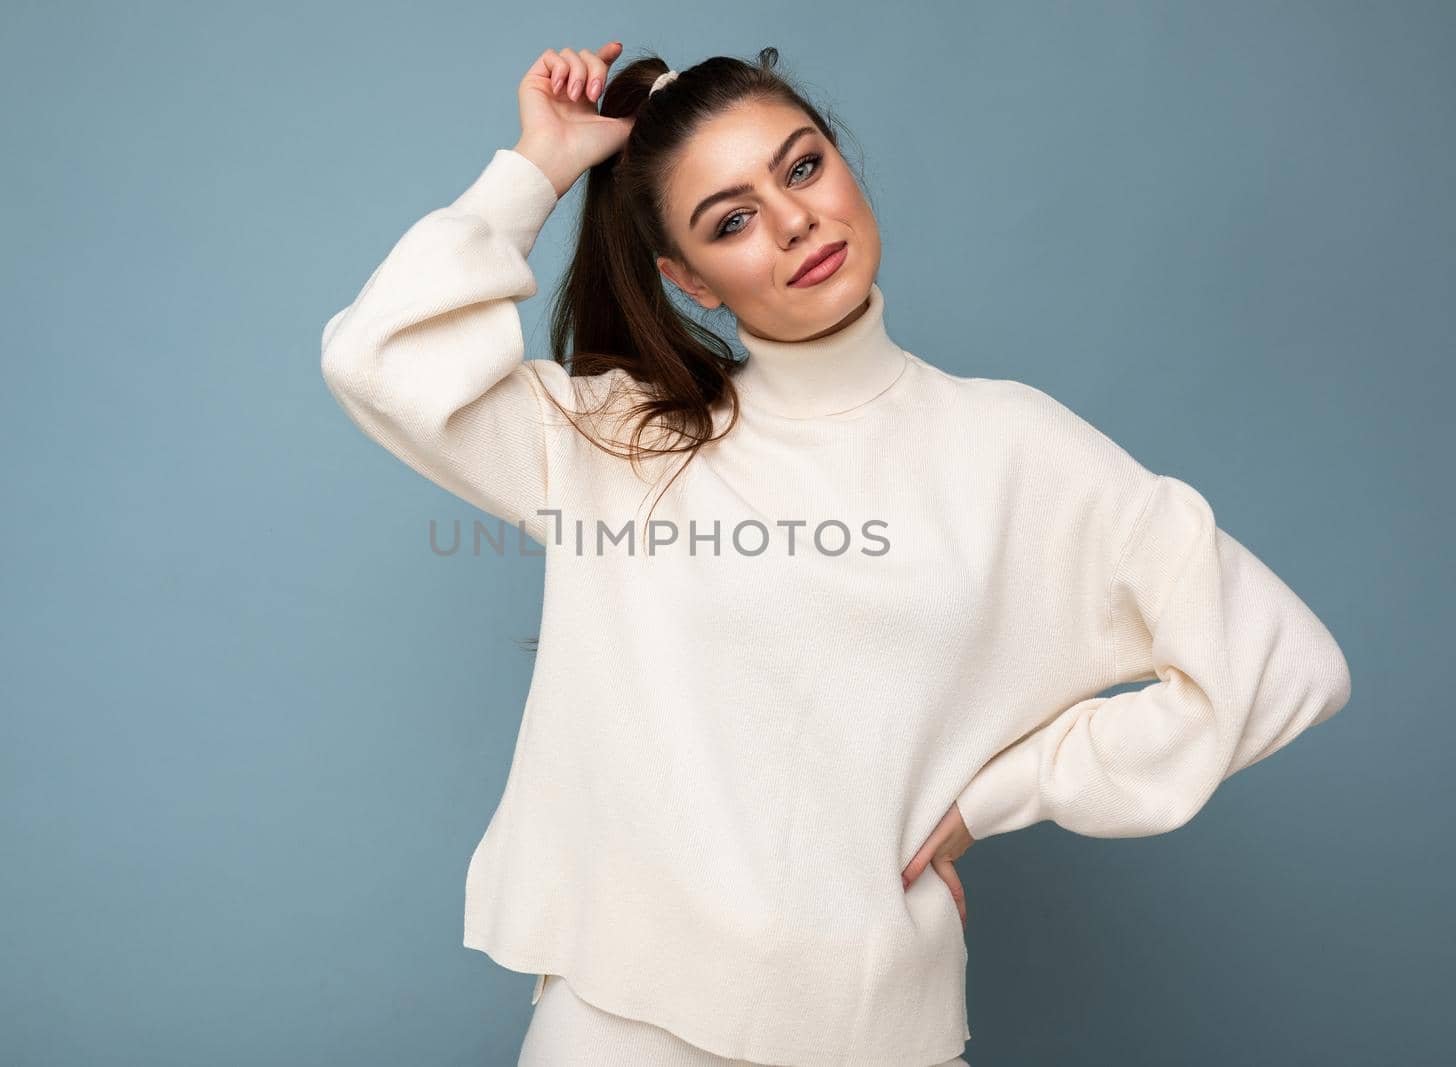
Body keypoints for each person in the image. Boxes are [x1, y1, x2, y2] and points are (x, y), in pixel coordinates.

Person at [318, 39, 1352, 1067]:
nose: (793, 219)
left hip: (871, 1025)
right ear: (691, 282)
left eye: (801, 165)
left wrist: (996, 794)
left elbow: (1282, 664)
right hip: (622, 1017)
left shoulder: (1015, 446)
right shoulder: (622, 443)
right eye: (731, 220)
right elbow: (380, 358)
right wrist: (536, 166)